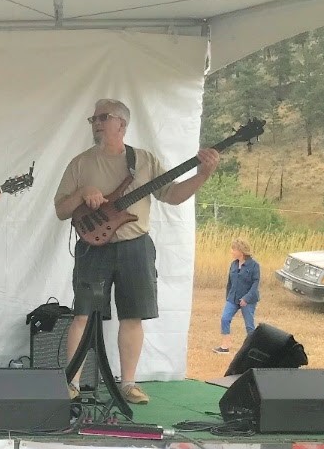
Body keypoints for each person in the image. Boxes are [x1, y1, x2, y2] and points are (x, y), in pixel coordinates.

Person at [53, 98, 220, 404]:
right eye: (93, 119)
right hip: (93, 247)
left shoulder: (143, 160)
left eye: (102, 117)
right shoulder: (80, 163)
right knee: (82, 315)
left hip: (136, 247)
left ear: (122, 124)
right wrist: (81, 193)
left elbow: (171, 195)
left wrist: (202, 175)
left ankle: (128, 383)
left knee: (133, 317)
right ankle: (71, 382)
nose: (96, 123)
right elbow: (62, 210)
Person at [214, 237, 260, 353]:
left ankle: (253, 348)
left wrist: (246, 298)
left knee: (249, 325)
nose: (231, 251)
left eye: (233, 249)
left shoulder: (254, 265)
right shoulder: (233, 264)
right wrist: (228, 297)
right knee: (225, 319)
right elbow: (229, 282)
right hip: (233, 298)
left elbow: (255, 284)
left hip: (248, 300)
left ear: (241, 251)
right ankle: (225, 346)